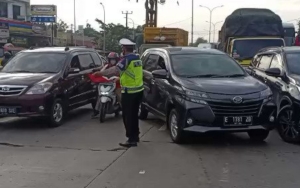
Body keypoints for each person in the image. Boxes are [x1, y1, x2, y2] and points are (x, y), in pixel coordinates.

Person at [93, 38, 143, 147]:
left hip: (129, 92)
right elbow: (133, 74)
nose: (122, 50)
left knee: (128, 116)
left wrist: (100, 74)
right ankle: (136, 136)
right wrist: (119, 79)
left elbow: (115, 70)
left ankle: (131, 139)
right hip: (138, 91)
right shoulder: (137, 58)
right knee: (134, 115)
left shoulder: (126, 59)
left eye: (122, 48)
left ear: (125, 49)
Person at [91, 52, 121, 118]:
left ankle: (122, 108)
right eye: (111, 59)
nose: (112, 61)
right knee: (98, 94)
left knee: (119, 94)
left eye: (114, 59)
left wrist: (119, 78)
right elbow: (101, 71)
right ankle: (96, 110)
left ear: (116, 60)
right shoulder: (106, 66)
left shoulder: (119, 66)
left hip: (117, 84)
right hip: (106, 84)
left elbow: (123, 74)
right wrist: (96, 73)